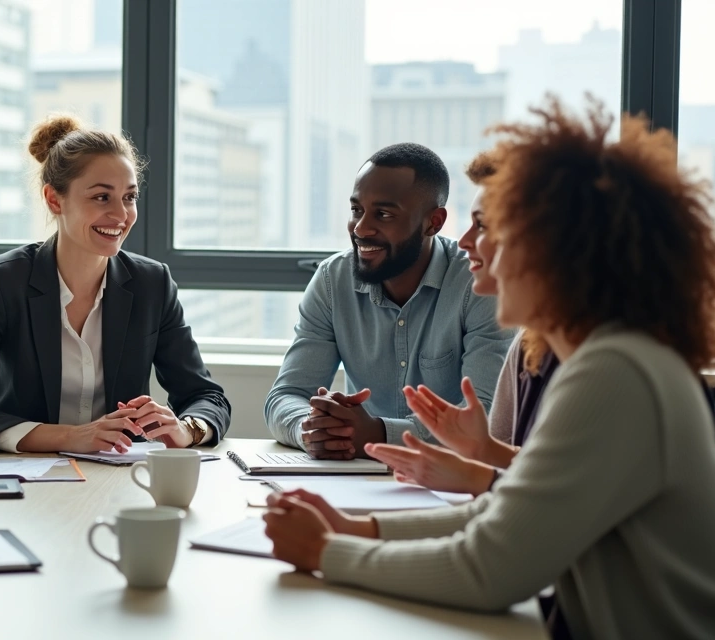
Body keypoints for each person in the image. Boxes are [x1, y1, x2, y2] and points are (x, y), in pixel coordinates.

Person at [263, 99, 715, 639]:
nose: (468, 244)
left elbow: (489, 569)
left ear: (553, 247)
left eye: (484, 226)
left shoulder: (616, 373)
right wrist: (357, 528)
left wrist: (326, 551)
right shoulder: (606, 358)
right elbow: (506, 513)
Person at [0, 115, 231, 454]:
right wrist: (68, 437)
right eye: (102, 198)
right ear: (54, 200)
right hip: (27, 479)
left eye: (130, 197)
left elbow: (206, 396)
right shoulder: (1, 281)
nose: (121, 215)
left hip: (119, 479)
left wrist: (186, 429)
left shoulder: (152, 283)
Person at [265, 142, 514, 460]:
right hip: (356, 477)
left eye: (383, 214)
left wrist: (381, 434)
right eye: (357, 209)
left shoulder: (478, 283)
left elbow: (486, 420)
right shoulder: (332, 280)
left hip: (452, 480)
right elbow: (286, 396)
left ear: (433, 223)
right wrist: (311, 429)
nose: (360, 228)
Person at [365, 152, 560, 495]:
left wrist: (352, 534)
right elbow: (519, 491)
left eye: (481, 225)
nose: (465, 240)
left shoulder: (606, 365)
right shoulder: (529, 345)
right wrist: (482, 452)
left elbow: (550, 503)